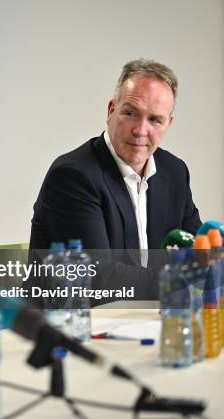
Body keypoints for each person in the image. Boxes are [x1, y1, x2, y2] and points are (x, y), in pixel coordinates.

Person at [29, 59, 202, 300]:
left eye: (155, 119)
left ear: (168, 123)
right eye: (131, 113)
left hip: (147, 320)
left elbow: (200, 252)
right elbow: (99, 278)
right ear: (112, 111)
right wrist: (182, 281)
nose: (141, 130)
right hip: (77, 324)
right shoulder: (73, 176)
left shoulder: (174, 172)